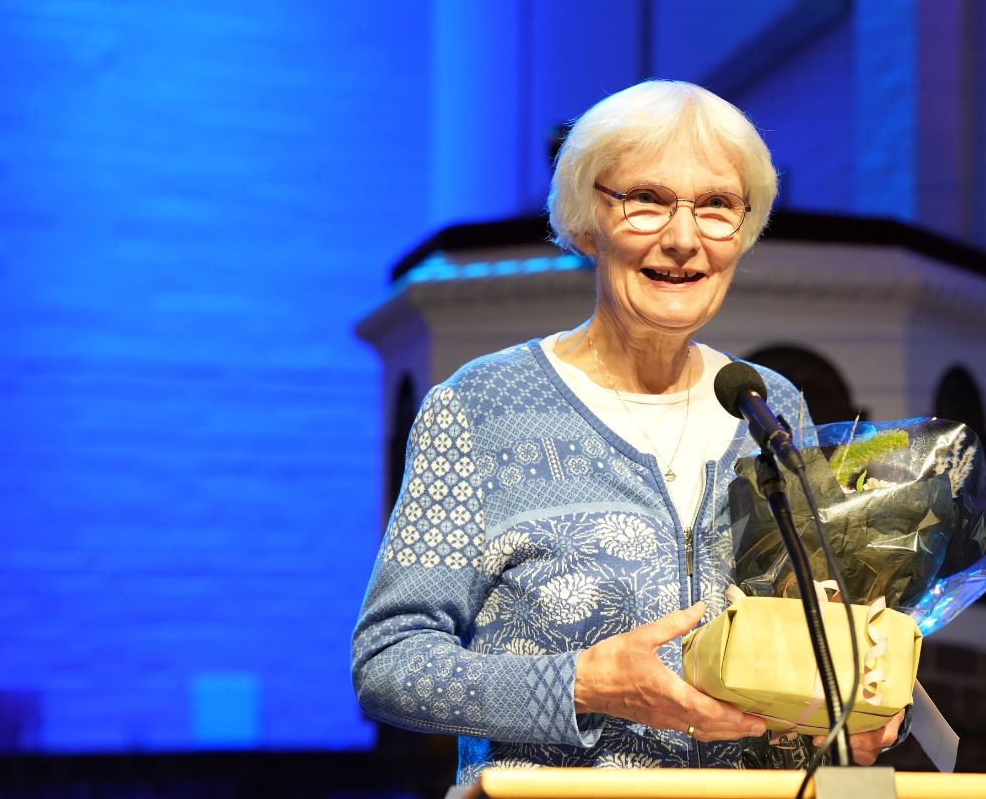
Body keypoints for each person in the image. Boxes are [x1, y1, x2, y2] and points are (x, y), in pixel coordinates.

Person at [351, 80, 902, 782]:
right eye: (645, 200)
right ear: (586, 223)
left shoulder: (770, 407)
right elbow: (390, 662)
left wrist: (856, 705)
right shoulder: (479, 408)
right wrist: (582, 682)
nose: (682, 238)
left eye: (716, 207)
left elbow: (810, 635)